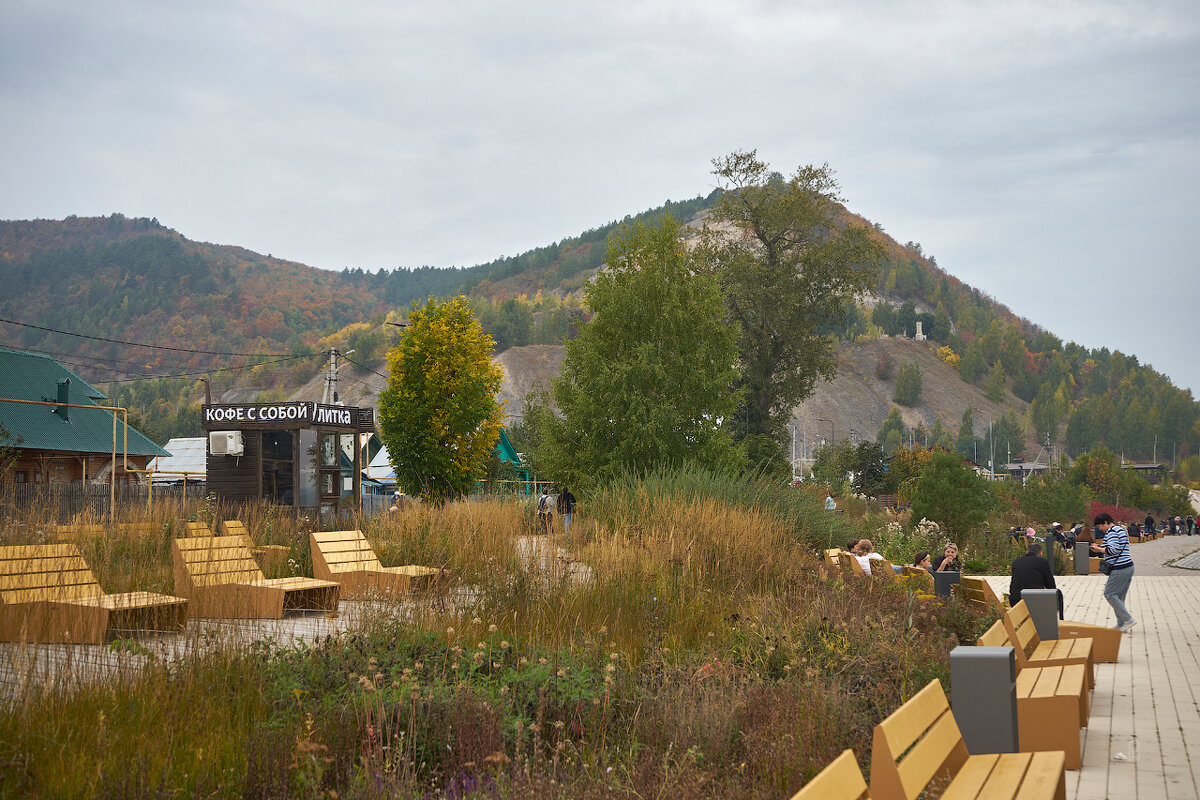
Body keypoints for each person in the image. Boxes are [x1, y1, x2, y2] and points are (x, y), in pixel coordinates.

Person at [1091, 512, 1136, 632]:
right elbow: (1116, 546)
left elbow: (1113, 550)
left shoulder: (1112, 532)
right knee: (1119, 597)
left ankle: (1128, 619)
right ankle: (1121, 623)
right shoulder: (1119, 530)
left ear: (1105, 522)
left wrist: (1098, 549)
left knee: (1109, 594)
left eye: (1100, 526)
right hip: (1127, 566)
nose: (1100, 529)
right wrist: (1100, 547)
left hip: (1119, 568)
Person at [1009, 541, 1061, 616]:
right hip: (1035, 599)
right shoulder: (1042, 562)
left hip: (1015, 599)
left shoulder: (1016, 562)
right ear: (1040, 553)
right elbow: (1050, 584)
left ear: (1027, 551)